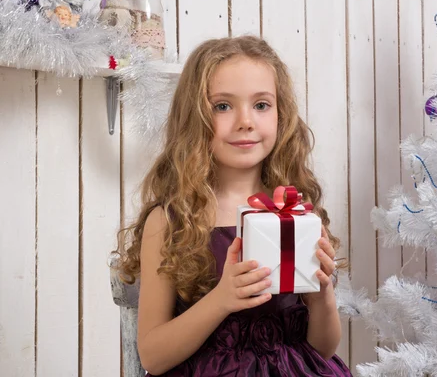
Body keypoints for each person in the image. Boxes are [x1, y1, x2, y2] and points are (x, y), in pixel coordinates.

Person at [114, 35, 353, 376]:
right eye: (223, 106)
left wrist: (321, 296)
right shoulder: (171, 221)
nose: (246, 121)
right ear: (195, 117)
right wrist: (222, 299)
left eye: (261, 105)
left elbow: (323, 350)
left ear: (280, 115)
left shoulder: (296, 212)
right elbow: (152, 356)